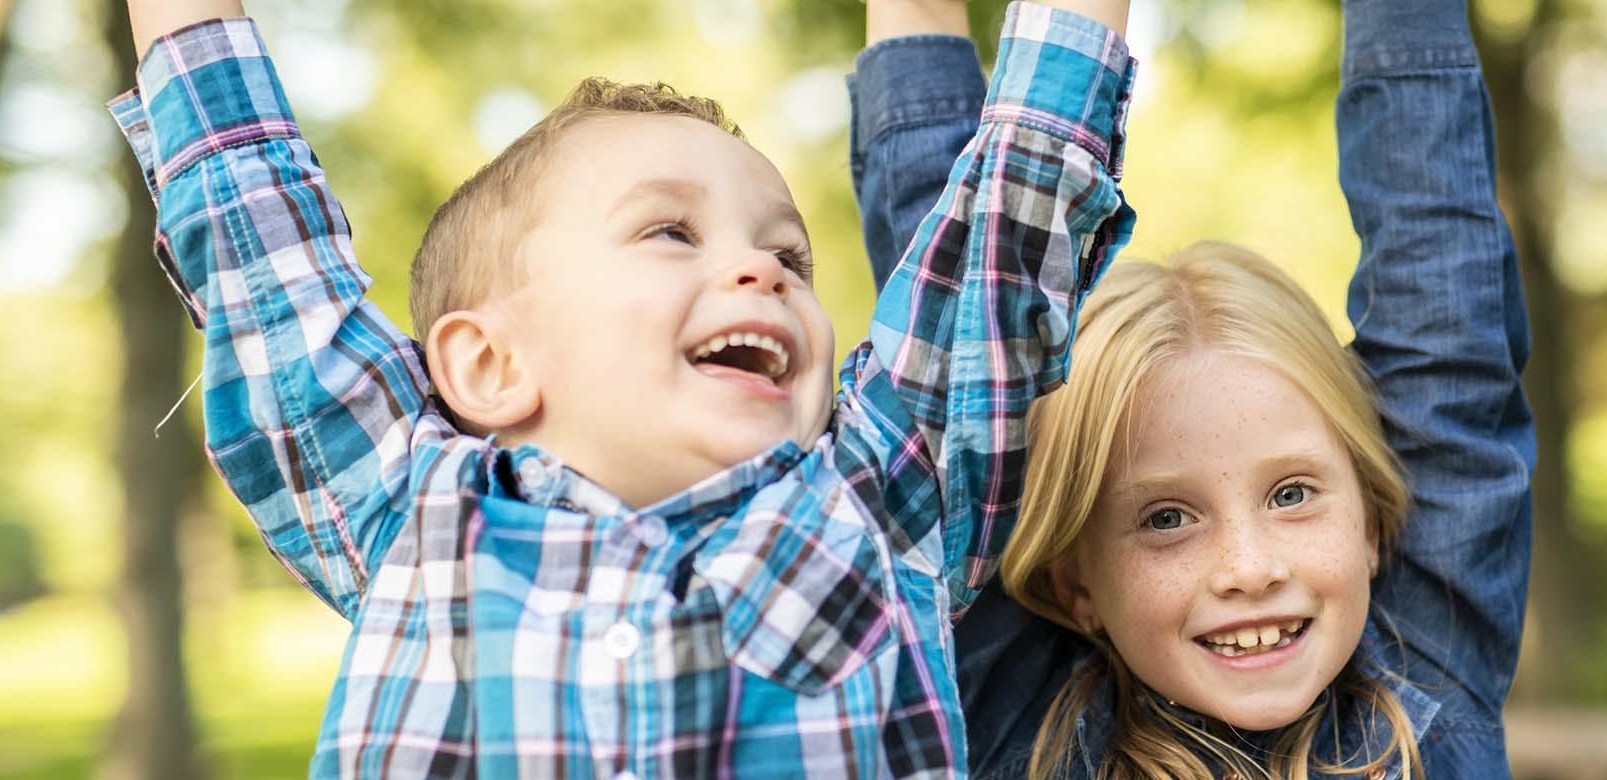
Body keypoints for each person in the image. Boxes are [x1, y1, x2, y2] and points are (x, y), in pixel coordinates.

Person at [110, 0, 1136, 774]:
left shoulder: (871, 504)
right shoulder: (414, 514)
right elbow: (258, 244)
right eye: (671, 232)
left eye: (790, 254)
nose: (762, 268)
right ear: (490, 365)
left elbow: (1010, 222)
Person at [849, 0, 1534, 775]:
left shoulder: (1425, 676)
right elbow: (963, 359)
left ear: (1374, 526)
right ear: (1075, 586)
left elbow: (1445, 320)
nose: (1250, 569)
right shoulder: (1022, 729)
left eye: (1292, 494)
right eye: (1166, 518)